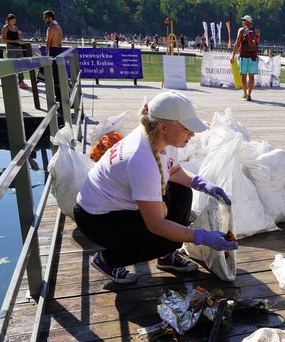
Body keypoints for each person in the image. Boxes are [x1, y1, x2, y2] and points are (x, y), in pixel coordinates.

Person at [74, 91, 237, 284]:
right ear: (163, 127)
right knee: (166, 238)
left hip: (119, 207)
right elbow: (156, 225)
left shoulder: (162, 138)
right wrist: (201, 237)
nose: (192, 134)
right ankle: (108, 260)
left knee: (182, 192)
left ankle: (166, 255)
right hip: (97, 220)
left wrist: (202, 184)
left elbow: (174, 171)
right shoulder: (141, 159)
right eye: (187, 128)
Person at [230, 15, 261, 101]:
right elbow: (257, 44)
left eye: (243, 20)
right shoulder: (257, 31)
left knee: (243, 76)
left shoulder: (241, 30)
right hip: (253, 56)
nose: (242, 21)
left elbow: (237, 43)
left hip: (243, 55)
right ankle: (249, 95)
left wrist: (233, 56)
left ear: (247, 21)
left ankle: (245, 93)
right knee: (251, 77)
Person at [1, 13, 30, 90]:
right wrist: (15, 41)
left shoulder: (16, 28)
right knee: (11, 65)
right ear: (8, 20)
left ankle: (21, 81)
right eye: (13, 21)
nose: (14, 22)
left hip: (19, 48)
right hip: (11, 47)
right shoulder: (5, 28)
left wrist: (21, 40)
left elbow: (18, 38)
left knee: (20, 65)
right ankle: (11, 81)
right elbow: (4, 39)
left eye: (15, 21)